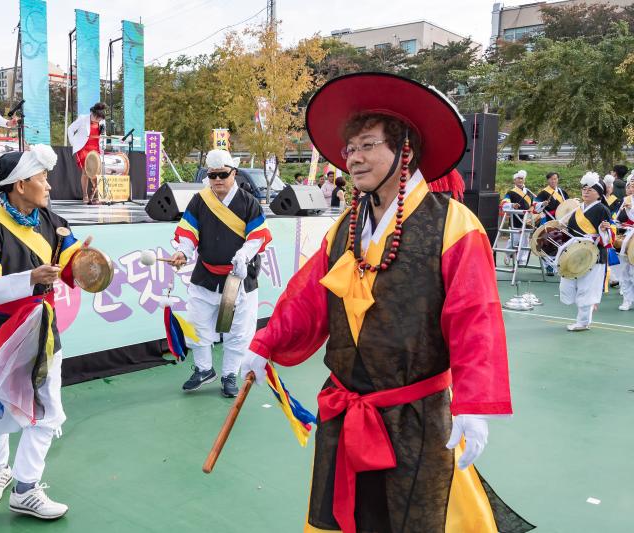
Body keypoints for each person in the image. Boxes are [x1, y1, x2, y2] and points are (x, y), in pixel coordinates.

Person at [239, 72, 532, 533]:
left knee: (416, 519)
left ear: (404, 151)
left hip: (415, 419)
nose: (353, 158)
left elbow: (475, 319)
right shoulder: (345, 227)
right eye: (350, 148)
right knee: (348, 518)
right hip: (345, 408)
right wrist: (265, 343)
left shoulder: (454, 225)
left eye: (368, 145)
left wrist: (473, 406)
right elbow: (309, 297)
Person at [0, 145, 87, 520]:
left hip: (43, 327)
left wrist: (86, 265)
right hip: (0, 329)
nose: (48, 184)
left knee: (47, 407)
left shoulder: (51, 219)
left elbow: (73, 264)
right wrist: (30, 278)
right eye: (41, 178)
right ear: (19, 185)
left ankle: (26, 487)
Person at [166, 149, 272, 397]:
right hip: (206, 275)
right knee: (196, 324)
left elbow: (258, 236)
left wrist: (243, 255)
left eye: (223, 174)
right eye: (212, 175)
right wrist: (183, 252)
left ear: (233, 173)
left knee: (238, 330)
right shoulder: (199, 200)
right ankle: (204, 369)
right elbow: (189, 232)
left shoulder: (249, 202)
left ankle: (229, 375)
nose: (217, 180)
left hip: (239, 277)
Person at [558, 172, 614, 331]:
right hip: (575, 252)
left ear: (599, 193)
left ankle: (583, 322)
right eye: (584, 189)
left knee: (586, 288)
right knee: (568, 282)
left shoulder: (602, 209)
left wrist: (604, 230)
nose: (586, 191)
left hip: (593, 254)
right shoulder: (577, 208)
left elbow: (609, 235)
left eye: (590, 189)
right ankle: (585, 312)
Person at [67, 102, 107, 204]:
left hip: (96, 148)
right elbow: (70, 129)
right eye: (98, 118)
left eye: (101, 119)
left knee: (96, 173)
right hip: (84, 148)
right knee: (86, 172)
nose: (99, 120)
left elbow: (103, 136)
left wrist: (103, 147)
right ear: (94, 114)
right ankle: (85, 195)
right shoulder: (83, 118)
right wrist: (73, 142)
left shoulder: (102, 122)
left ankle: (96, 195)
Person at [500, 169, 536, 265]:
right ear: (514, 180)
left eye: (522, 178)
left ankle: (521, 260)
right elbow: (504, 203)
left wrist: (532, 208)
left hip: (527, 219)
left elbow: (533, 204)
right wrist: (512, 205)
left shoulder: (528, 192)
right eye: (518, 178)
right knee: (514, 239)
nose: (520, 180)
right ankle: (508, 254)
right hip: (515, 218)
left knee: (525, 240)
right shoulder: (511, 192)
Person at [614, 175, 634, 311]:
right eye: (629, 186)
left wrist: (630, 210)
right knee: (625, 271)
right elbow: (617, 219)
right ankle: (627, 300)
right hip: (626, 238)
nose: (631, 188)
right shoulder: (625, 200)